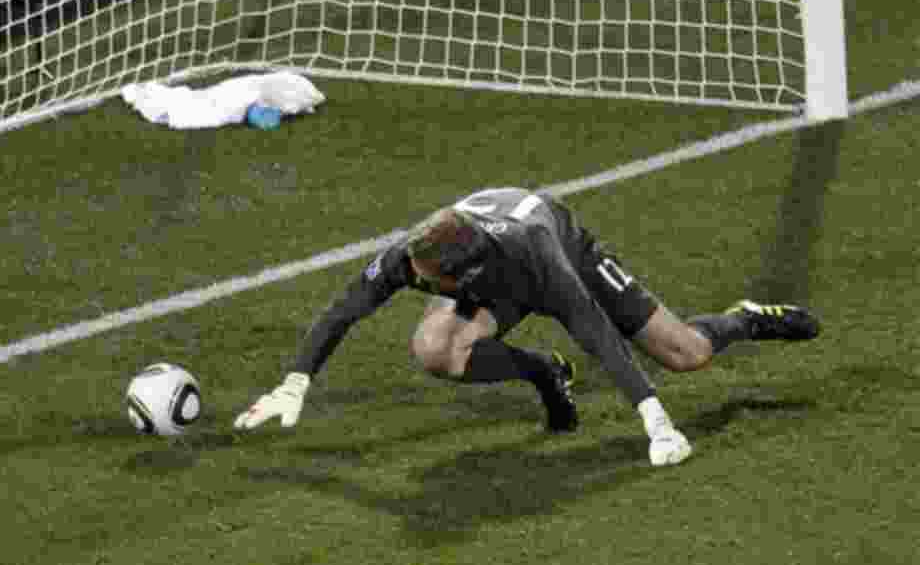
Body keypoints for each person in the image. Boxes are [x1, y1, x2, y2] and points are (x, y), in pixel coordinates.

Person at [234, 187, 820, 466]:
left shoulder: (542, 259)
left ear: (460, 277)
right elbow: (346, 308)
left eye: (423, 278)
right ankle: (544, 372)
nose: (405, 278)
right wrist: (294, 383)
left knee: (684, 353)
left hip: (566, 252)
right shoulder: (415, 254)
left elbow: (595, 333)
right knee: (434, 347)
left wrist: (657, 422)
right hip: (497, 274)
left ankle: (743, 320)